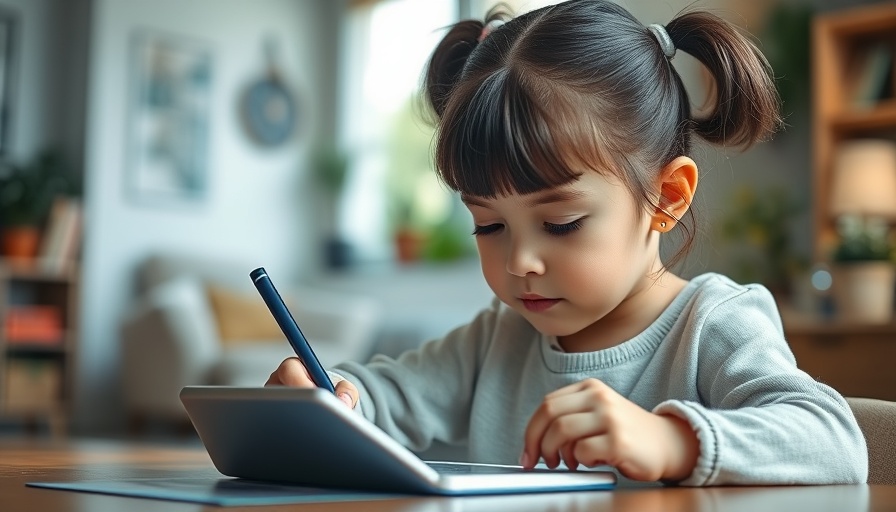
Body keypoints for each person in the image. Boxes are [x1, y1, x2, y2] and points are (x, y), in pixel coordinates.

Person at [268, 0, 867, 485]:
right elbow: (382, 396)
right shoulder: (497, 338)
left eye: (560, 224)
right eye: (488, 225)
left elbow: (835, 441)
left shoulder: (712, 324)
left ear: (667, 196)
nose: (519, 262)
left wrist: (673, 439)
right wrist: (325, 401)